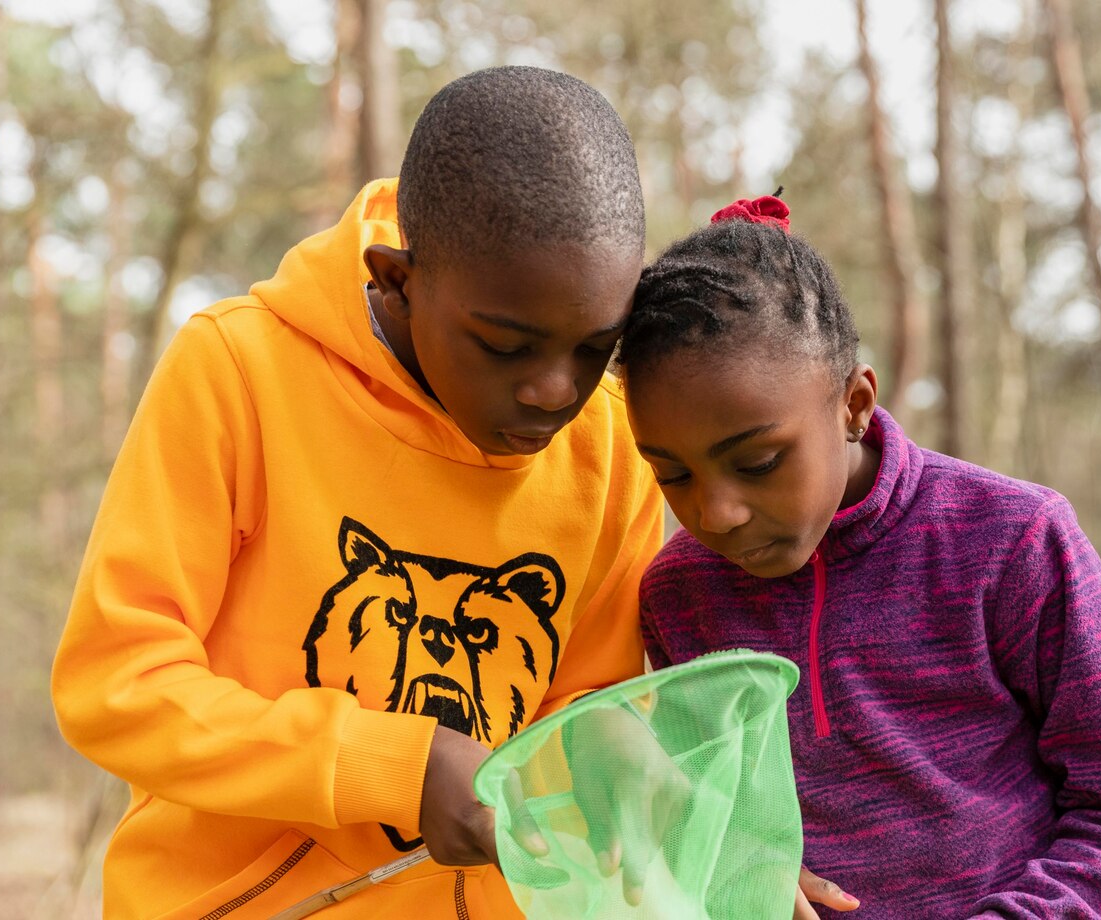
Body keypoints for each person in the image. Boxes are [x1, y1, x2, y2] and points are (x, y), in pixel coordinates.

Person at [51, 66, 665, 920]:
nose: (554, 392)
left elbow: (583, 721)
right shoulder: (239, 375)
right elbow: (117, 683)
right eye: (505, 346)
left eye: (595, 347)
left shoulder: (612, 445)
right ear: (399, 281)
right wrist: (391, 765)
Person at [617, 195, 1101, 919]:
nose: (716, 512)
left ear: (854, 404)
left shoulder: (1010, 540)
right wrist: (736, 860)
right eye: (672, 473)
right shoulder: (680, 597)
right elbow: (702, 817)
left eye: (760, 460)